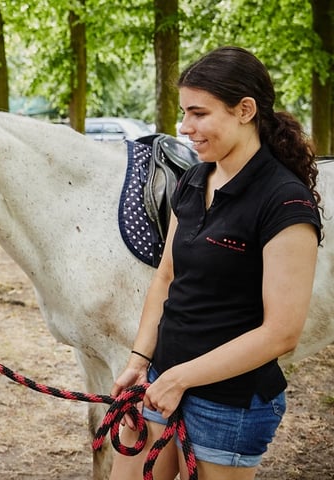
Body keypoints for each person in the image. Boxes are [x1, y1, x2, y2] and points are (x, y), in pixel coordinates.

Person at [109, 46, 322, 479]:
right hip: (160, 379)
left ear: (245, 110)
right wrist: (139, 361)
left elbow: (282, 332)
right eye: (184, 113)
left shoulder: (285, 202)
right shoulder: (193, 178)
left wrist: (181, 378)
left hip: (229, 404)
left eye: (198, 113)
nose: (185, 128)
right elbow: (167, 277)